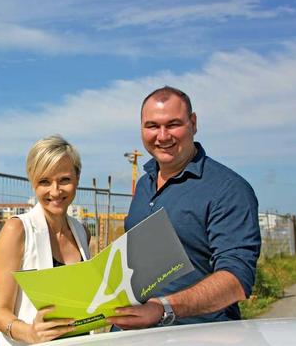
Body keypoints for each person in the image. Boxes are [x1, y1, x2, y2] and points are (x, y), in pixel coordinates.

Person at [108, 86, 261, 329]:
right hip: (132, 334)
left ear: (193, 123)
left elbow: (236, 279)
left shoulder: (228, 189)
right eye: (152, 126)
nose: (163, 135)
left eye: (173, 124)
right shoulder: (145, 184)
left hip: (198, 334)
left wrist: (163, 309)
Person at [0, 135, 91, 345]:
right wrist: (30, 333)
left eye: (64, 179)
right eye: (45, 181)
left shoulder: (81, 232)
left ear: (77, 177)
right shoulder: (17, 230)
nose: (55, 191)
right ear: (33, 181)